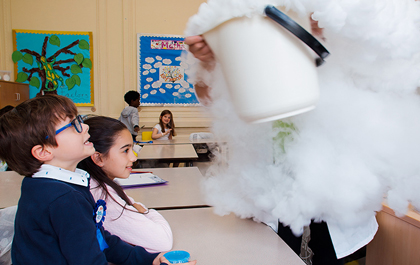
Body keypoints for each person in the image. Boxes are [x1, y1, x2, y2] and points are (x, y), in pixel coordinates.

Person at [0, 94, 195, 265]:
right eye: (74, 125)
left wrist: (148, 259)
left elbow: (99, 238)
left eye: (81, 120)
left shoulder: (43, 184)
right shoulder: (64, 198)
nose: (85, 127)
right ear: (43, 151)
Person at [78, 116, 173, 253]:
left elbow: (131, 203)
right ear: (98, 158)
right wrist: (147, 212)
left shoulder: (93, 182)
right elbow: (163, 241)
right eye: (125, 150)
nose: (134, 158)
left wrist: (135, 207)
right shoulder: (104, 198)